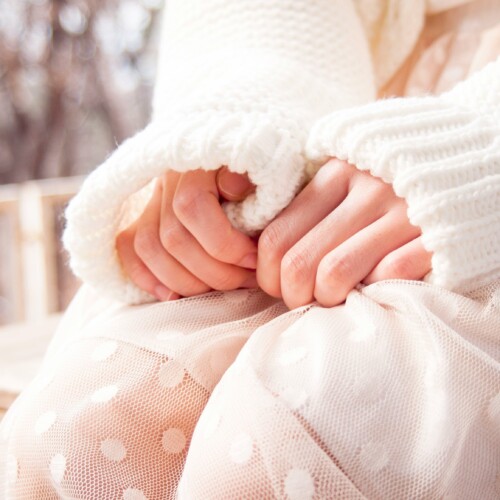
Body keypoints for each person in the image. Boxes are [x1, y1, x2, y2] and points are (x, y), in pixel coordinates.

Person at [1, 0, 500, 498]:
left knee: (289, 439)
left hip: (460, 180)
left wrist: (477, 144)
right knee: (82, 426)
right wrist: (238, 110)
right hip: (330, 155)